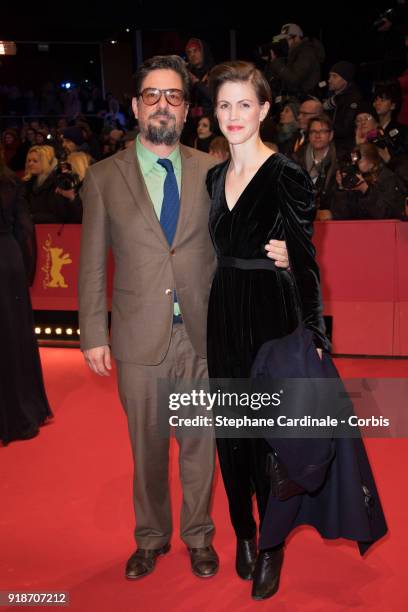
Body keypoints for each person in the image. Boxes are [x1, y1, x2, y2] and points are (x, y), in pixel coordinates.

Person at [78, 54, 289, 583]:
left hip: (201, 334)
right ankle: (150, 538)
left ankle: (199, 538)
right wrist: (91, 333)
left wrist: (285, 255)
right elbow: (91, 261)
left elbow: (237, 244)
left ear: (186, 106)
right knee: (146, 451)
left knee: (199, 446)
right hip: (136, 336)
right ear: (135, 104)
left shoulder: (212, 172)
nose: (162, 105)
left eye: (173, 96)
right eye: (152, 95)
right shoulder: (104, 178)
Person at [206, 61, 387, 601]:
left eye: (244, 104)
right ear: (213, 112)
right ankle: (243, 530)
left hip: (273, 317)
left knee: (273, 438)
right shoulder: (215, 178)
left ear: (264, 110)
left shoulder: (288, 174)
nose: (233, 115)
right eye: (224, 104)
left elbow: (306, 261)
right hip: (224, 313)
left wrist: (313, 333)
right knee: (231, 434)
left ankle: (271, 544)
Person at [0, 144, 52, 445]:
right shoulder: (10, 182)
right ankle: (20, 410)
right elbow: (25, 229)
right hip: (7, 261)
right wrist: (26, 271)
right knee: (13, 335)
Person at [332, 143, 406, 220]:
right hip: (356, 229)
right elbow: (340, 216)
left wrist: (366, 190)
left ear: (371, 161)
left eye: (359, 161)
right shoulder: (355, 179)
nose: (355, 165)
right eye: (353, 162)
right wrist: (341, 187)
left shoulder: (388, 179)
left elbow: (386, 214)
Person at [23, 145, 82, 224]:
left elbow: (61, 216)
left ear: (46, 162)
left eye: (35, 161)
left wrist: (33, 217)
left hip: (53, 232)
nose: (30, 164)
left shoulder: (59, 182)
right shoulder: (29, 183)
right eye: (29, 160)